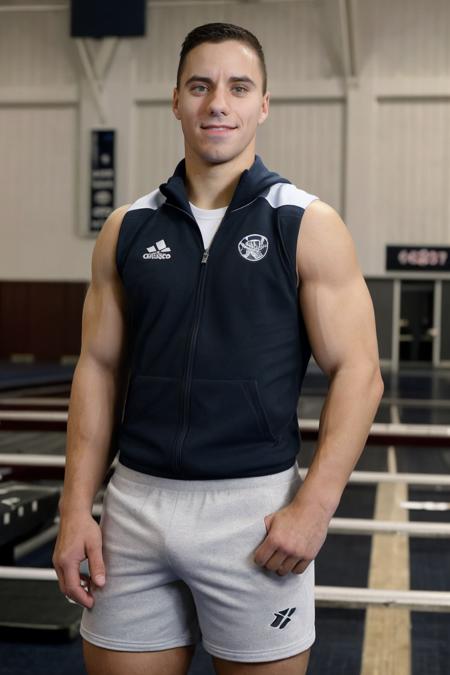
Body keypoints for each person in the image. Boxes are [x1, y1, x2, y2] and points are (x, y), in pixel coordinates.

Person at [52, 22, 384, 675]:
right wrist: (74, 508)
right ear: (176, 99)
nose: (217, 104)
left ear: (263, 104)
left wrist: (313, 507)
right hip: (136, 506)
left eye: (238, 87)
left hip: (254, 513)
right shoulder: (126, 228)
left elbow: (360, 373)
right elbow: (98, 368)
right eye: (200, 86)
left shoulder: (306, 223)